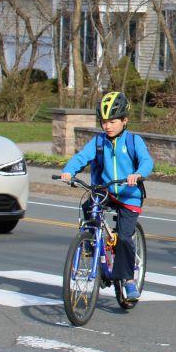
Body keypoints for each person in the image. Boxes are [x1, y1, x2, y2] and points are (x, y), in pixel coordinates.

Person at [60, 91, 153, 302]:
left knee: (125, 238)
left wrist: (138, 174)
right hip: (106, 191)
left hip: (129, 195)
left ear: (124, 120)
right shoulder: (99, 142)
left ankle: (128, 280)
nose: (107, 126)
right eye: (104, 122)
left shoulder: (134, 141)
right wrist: (68, 171)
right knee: (88, 207)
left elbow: (147, 161)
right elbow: (81, 157)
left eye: (112, 121)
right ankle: (90, 242)